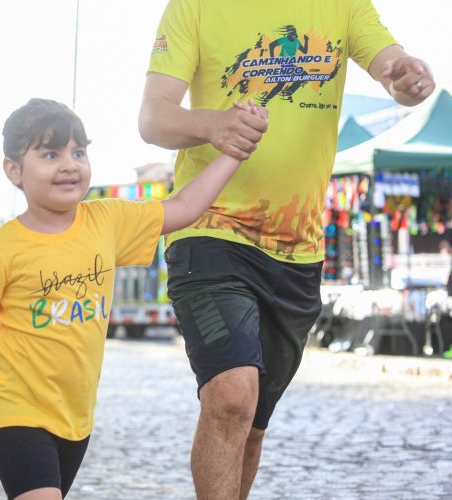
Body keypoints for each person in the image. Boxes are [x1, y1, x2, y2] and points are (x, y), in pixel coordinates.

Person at [0, 98, 266, 500]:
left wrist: (234, 150)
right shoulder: (0, 249)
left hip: (76, 418)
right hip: (13, 408)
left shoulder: (107, 221)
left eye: (78, 152)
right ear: (14, 169)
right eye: (51, 154)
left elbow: (183, 207)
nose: (69, 164)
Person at [138, 1, 436, 497]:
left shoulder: (343, 5)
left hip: (297, 250)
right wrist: (214, 125)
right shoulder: (194, 6)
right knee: (232, 398)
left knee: (253, 424)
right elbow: (153, 118)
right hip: (211, 230)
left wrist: (406, 78)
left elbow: (392, 69)